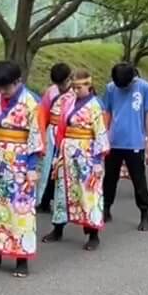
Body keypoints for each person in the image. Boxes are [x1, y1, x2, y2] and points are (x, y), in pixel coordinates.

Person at [0, 60, 44, 277]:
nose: (3, 92)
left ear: (18, 81)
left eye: (7, 87)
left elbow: (36, 135)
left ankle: (21, 258)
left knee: (20, 209)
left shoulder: (32, 102)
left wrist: (32, 166)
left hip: (20, 162)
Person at [43, 68, 109, 249]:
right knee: (62, 191)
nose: (76, 91)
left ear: (89, 86)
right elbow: (62, 129)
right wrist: (58, 154)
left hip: (87, 154)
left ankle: (93, 233)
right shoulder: (68, 103)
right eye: (74, 87)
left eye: (79, 87)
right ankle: (58, 227)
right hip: (67, 152)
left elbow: (100, 134)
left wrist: (97, 161)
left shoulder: (96, 105)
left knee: (88, 193)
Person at [101, 61, 148, 231]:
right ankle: (106, 208)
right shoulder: (111, 88)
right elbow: (107, 112)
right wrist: (103, 137)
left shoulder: (144, 88)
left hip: (135, 142)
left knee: (138, 180)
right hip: (114, 141)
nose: (122, 87)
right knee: (109, 178)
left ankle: (144, 213)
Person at [37, 62, 72, 224]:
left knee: (64, 169)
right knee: (48, 167)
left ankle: (64, 204)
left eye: (63, 82)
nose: (61, 86)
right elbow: (43, 113)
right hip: (52, 131)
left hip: (69, 134)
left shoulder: (76, 92)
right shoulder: (51, 92)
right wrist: (42, 136)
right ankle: (43, 200)